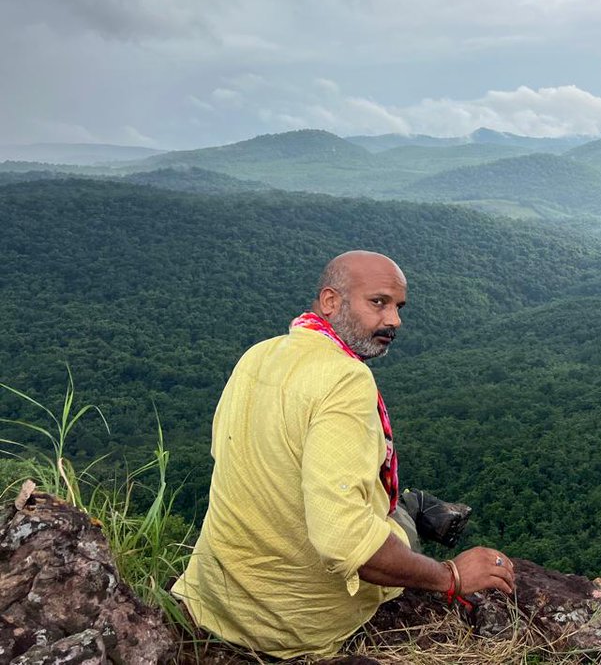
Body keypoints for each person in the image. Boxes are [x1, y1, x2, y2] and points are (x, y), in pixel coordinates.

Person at [172, 250, 515, 658]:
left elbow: (226, 456)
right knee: (395, 536)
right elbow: (344, 542)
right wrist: (452, 576)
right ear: (331, 302)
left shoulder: (258, 354)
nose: (394, 320)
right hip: (290, 624)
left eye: (398, 307)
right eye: (378, 302)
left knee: (385, 512)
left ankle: (408, 507)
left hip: (214, 599)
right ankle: (411, 510)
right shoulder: (346, 380)